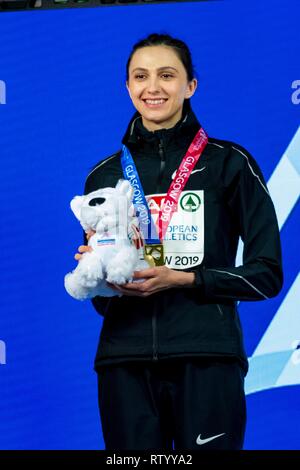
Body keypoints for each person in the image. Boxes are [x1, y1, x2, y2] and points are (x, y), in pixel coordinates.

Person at [74, 33, 283, 450]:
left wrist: (186, 279)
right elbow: (102, 300)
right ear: (128, 87)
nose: (153, 87)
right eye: (141, 76)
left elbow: (267, 275)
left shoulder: (229, 163)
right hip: (124, 362)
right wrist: (97, 274)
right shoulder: (104, 176)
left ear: (190, 85)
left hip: (207, 358)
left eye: (167, 75)